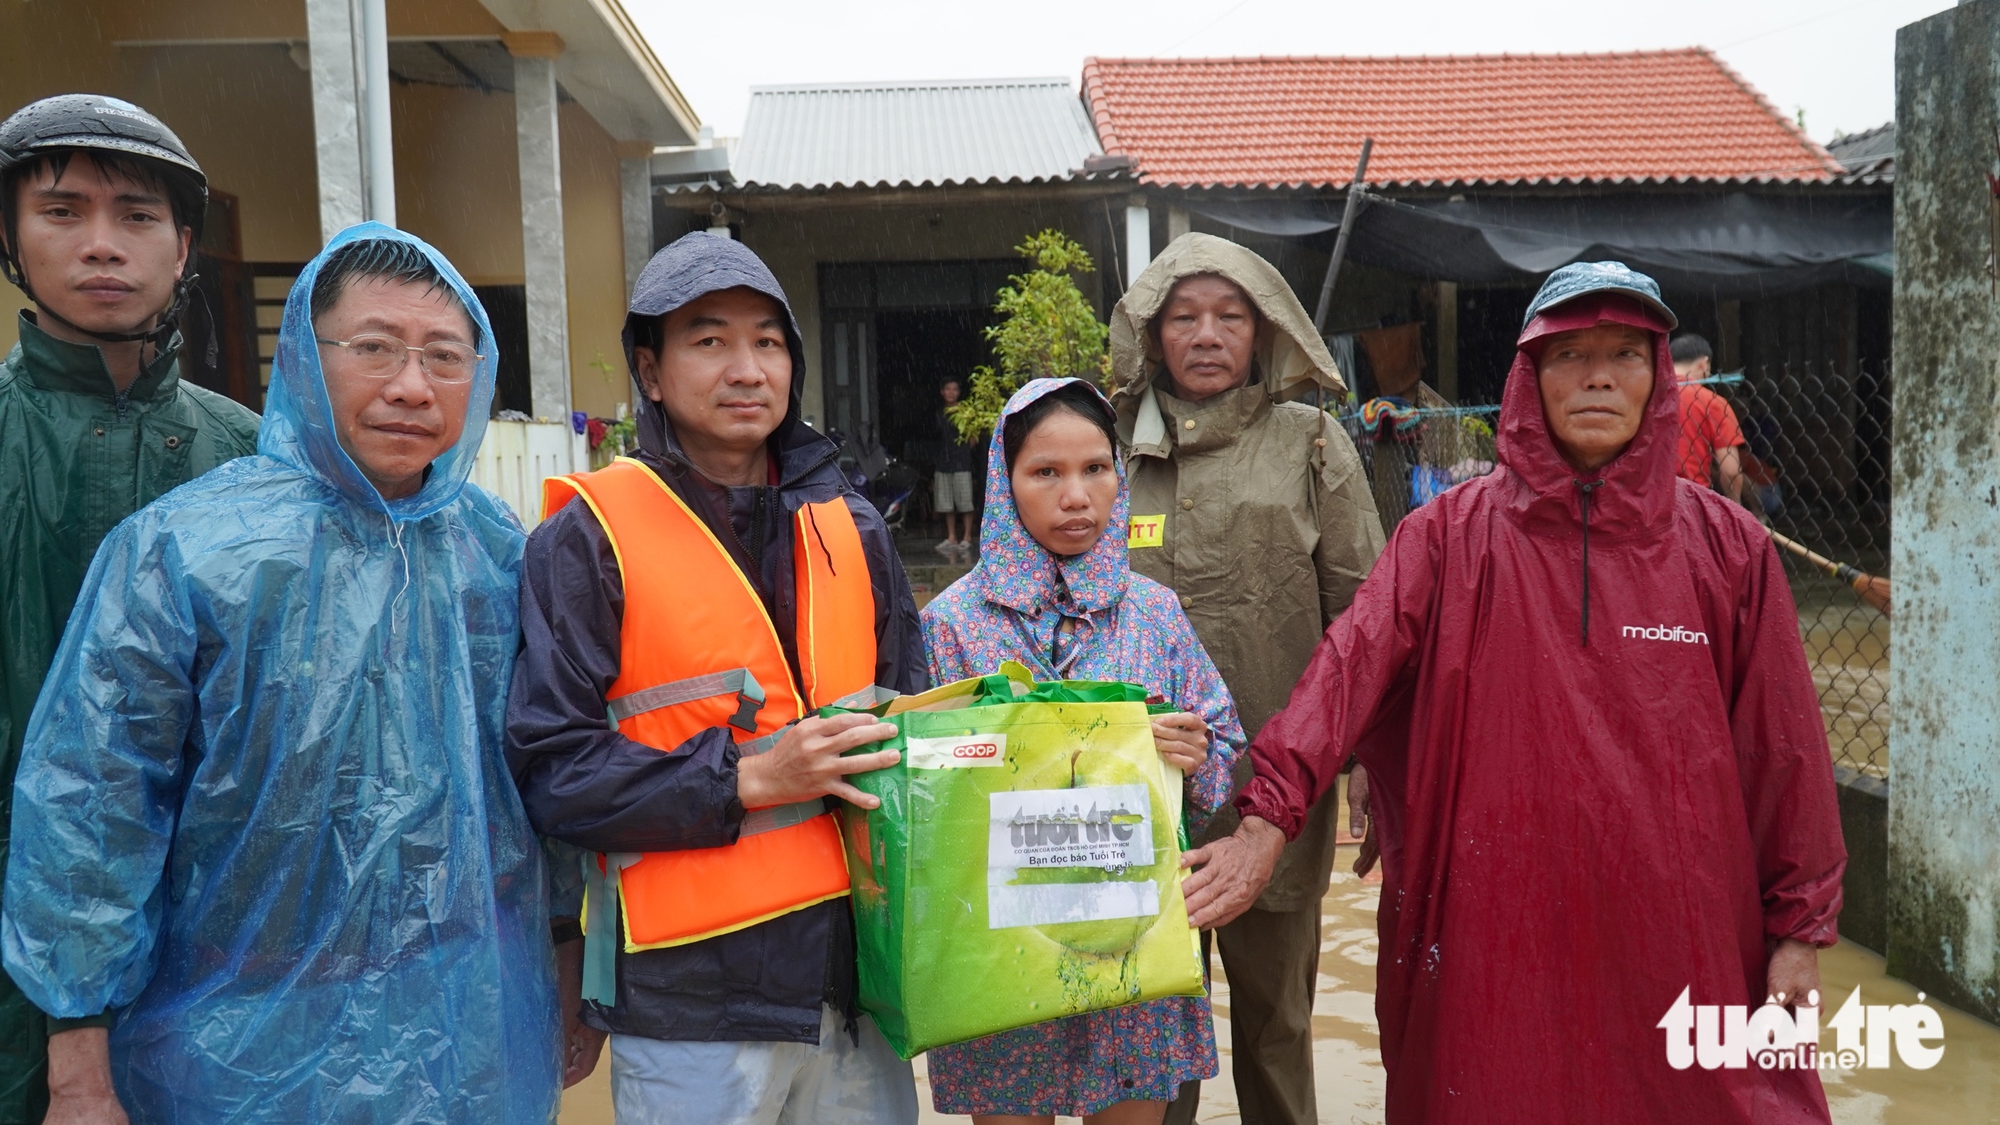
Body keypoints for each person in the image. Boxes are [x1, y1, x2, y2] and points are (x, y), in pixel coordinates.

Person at [1184, 262, 1846, 1124]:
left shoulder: (1728, 550)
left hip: (1682, 926)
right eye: (1569, 354)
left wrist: (1799, 932)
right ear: (1528, 378)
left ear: (1656, 374)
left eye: (1622, 353)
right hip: (1497, 927)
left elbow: (1785, 753)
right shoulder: (1448, 538)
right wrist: (1264, 819)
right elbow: (1343, 674)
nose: (1598, 376)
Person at [2, 224, 562, 1123]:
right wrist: (78, 1063)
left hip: (470, 1024)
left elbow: (548, 773)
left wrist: (567, 961)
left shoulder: (497, 552)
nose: (411, 386)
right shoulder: (183, 551)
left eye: (445, 356)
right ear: (307, 355)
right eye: (374, 348)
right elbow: (92, 807)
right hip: (238, 1043)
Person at [506, 232, 925, 1125]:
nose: (747, 368)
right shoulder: (588, 539)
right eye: (710, 340)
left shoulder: (852, 526)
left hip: (856, 986)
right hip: (691, 995)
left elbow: (916, 736)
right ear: (650, 372)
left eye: (769, 341)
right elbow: (553, 776)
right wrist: (750, 777)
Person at [0, 94, 260, 1124]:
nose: (102, 244)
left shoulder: (253, 460)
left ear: (185, 243)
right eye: (62, 211)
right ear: (14, 238)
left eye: (138, 215)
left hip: (220, 934)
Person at [1107, 233, 1383, 1125]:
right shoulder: (1107, 451)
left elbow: (1367, 619)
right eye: (1183, 317)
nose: (1207, 334)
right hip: (1135, 800)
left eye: (1230, 316)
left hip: (1281, 795)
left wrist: (1373, 759)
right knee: (1152, 1041)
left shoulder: (1311, 444)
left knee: (1276, 1030)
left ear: (1263, 332)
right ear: (1152, 338)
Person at [920, 377, 1245, 1125]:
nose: (1077, 496)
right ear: (1004, 485)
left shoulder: (1155, 614)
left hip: (1133, 939)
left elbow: (1225, 748)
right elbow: (922, 788)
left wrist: (1190, 752)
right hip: (1000, 950)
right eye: (1047, 473)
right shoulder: (952, 626)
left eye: (1096, 469)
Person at [1669, 333, 1746, 503]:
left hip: (1647, 496)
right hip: (1691, 498)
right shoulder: (1713, 402)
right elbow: (1730, 469)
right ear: (1704, 363)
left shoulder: (1645, 396)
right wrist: (1735, 505)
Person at [935, 377, 978, 556]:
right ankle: (951, 537)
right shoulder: (939, 413)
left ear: (959, 392)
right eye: (948, 389)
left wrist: (961, 452)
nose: (951, 393)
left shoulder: (966, 412)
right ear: (942, 392)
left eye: (955, 389)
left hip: (961, 463)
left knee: (965, 502)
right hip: (943, 463)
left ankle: (967, 537)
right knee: (947, 504)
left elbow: (973, 440)